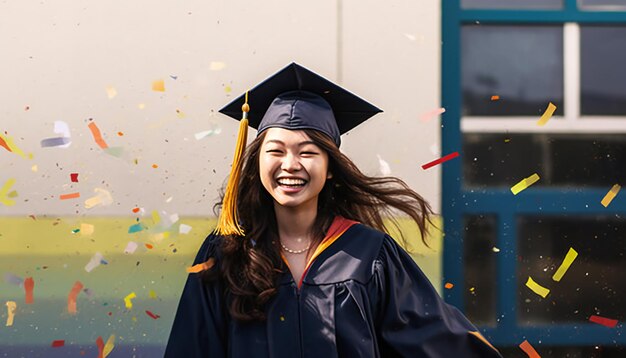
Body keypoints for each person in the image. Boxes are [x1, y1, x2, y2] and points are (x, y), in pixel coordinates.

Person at [165, 63, 503, 357]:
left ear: (330, 168)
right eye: (276, 150)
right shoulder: (226, 253)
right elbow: (192, 347)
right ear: (256, 163)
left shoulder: (370, 255)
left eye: (307, 152)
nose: (290, 165)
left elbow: (436, 339)